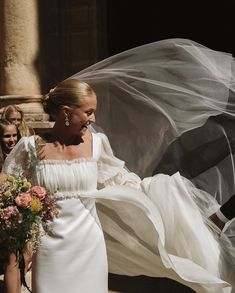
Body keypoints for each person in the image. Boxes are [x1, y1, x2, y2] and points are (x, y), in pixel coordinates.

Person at [2, 39, 235, 293]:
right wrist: (19, 217)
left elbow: (121, 180)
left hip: (89, 246)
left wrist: (160, 192)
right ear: (67, 113)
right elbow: (7, 186)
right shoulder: (31, 147)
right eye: (88, 112)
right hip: (48, 249)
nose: (93, 119)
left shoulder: (97, 144)